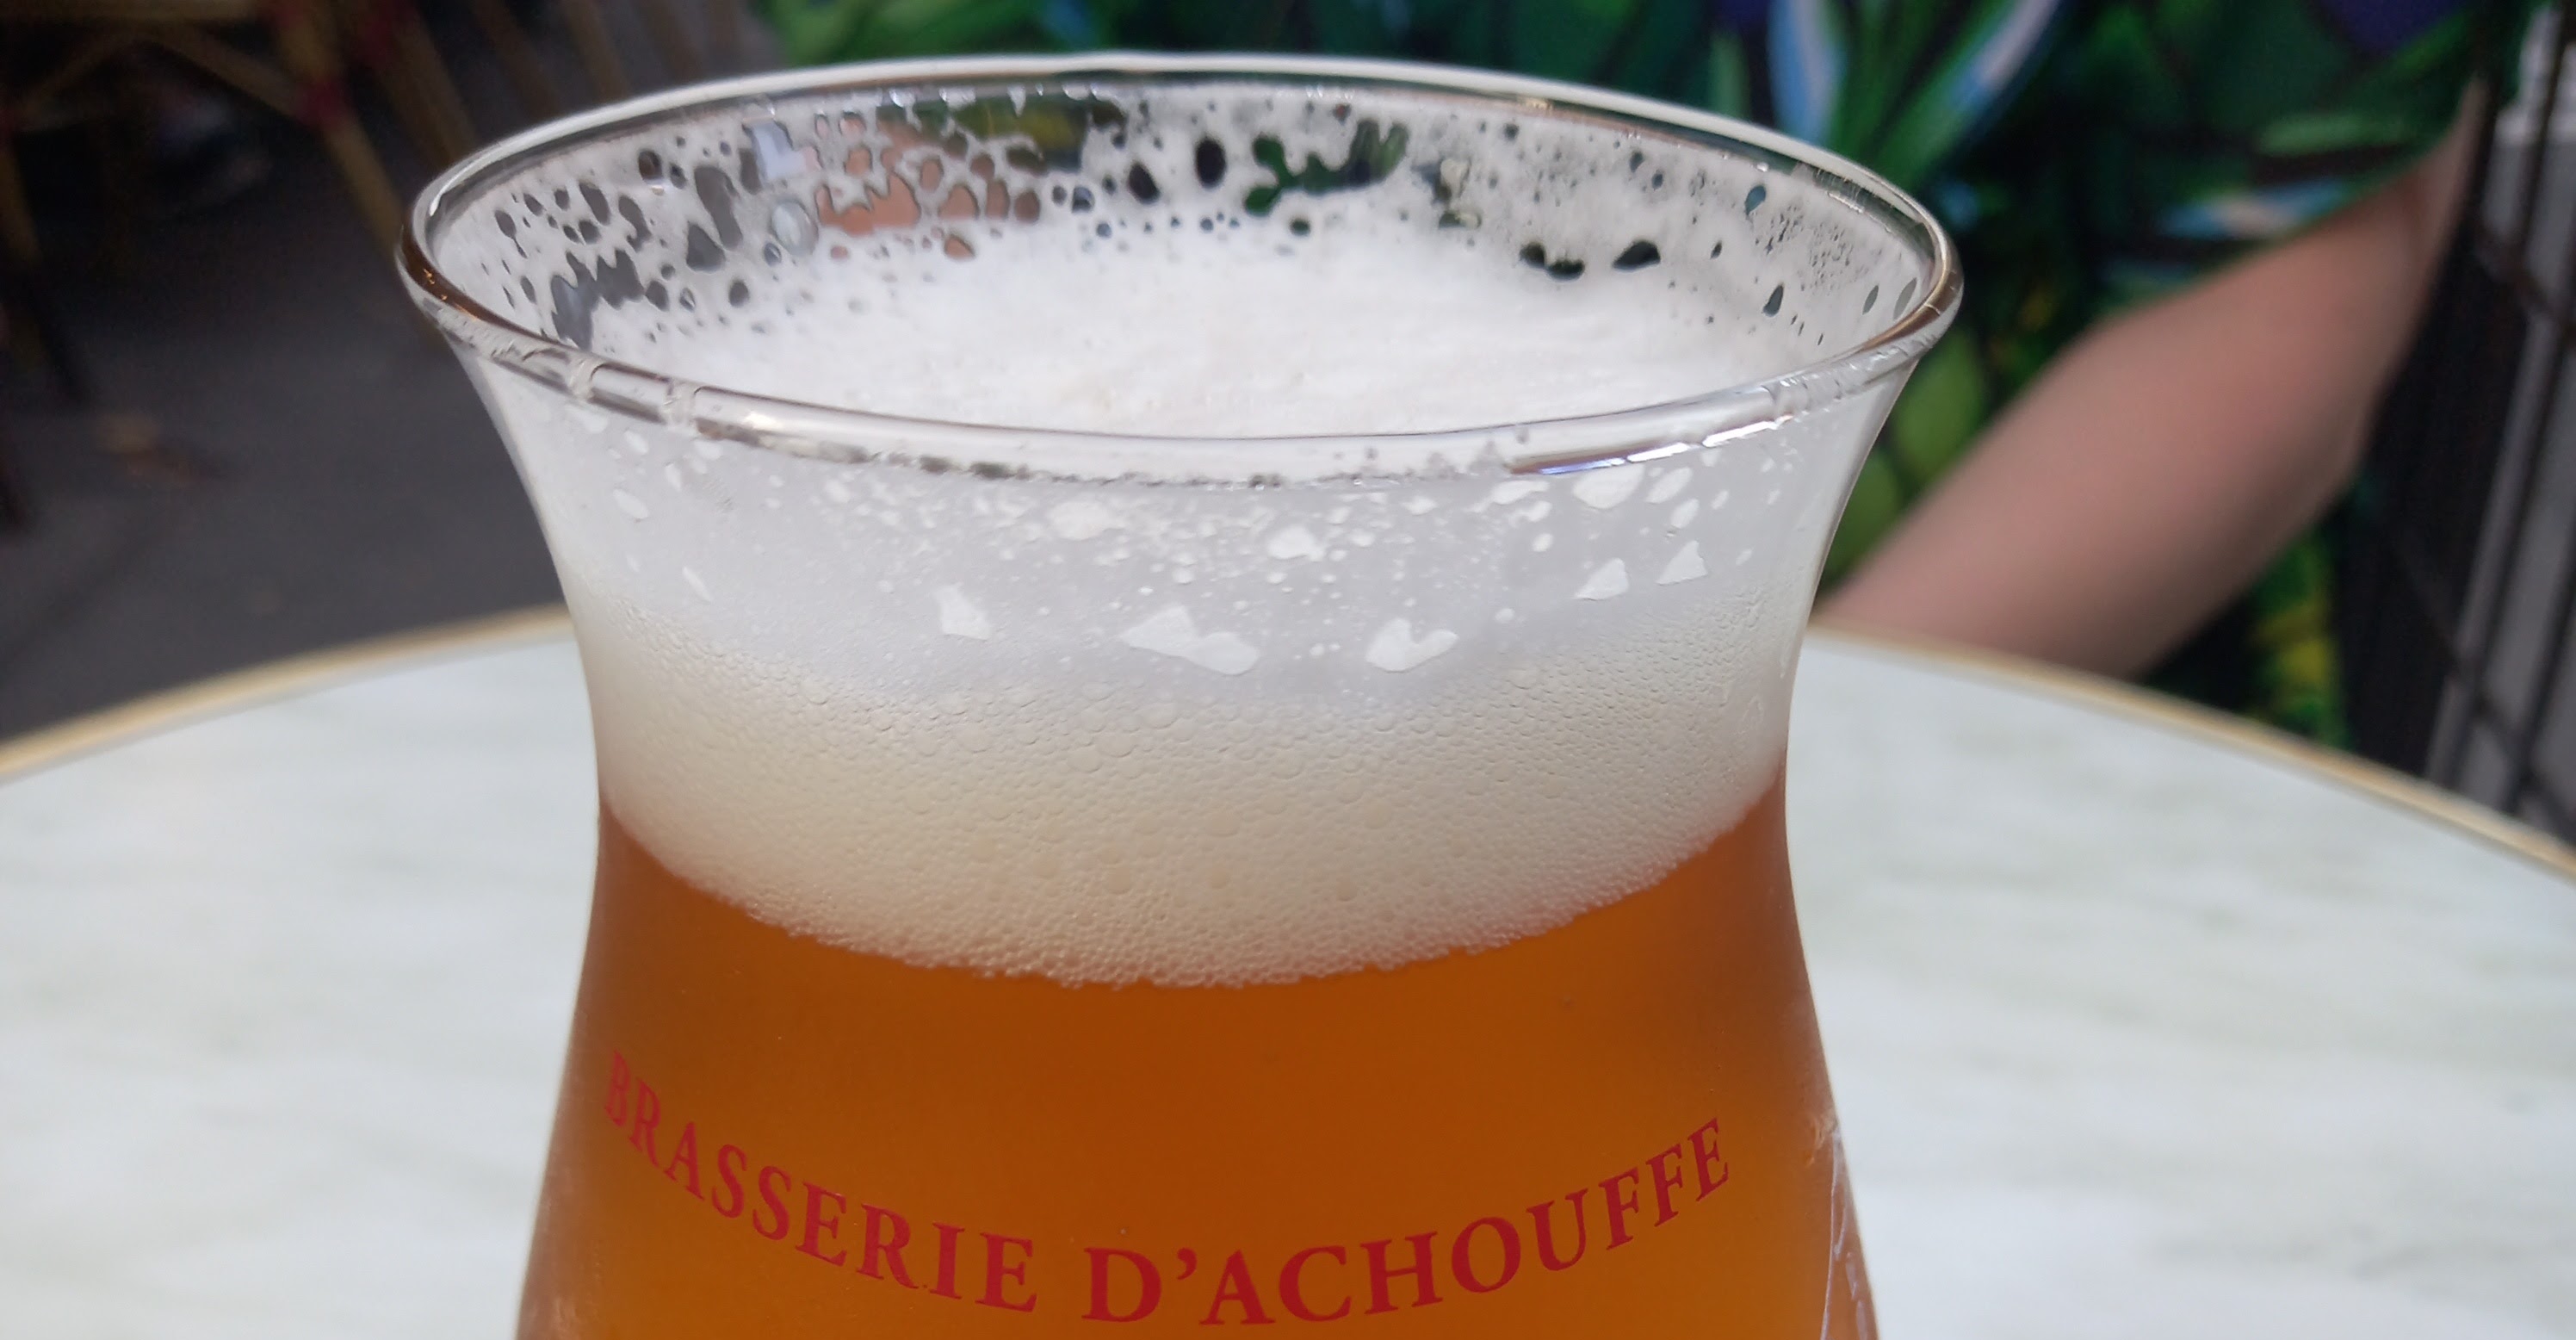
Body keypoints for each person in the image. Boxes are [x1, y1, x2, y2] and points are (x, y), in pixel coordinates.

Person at [759, 0, 2528, 744]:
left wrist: (1750, 738)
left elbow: (2288, 262)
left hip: (1985, 677)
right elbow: (928, 147)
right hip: (1117, 652)